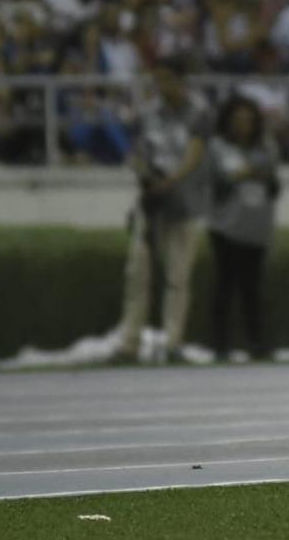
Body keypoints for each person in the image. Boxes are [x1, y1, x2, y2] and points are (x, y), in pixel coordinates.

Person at [111, 57, 212, 364]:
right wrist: (145, 175)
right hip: (151, 202)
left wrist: (171, 181)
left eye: (167, 79)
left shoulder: (198, 113)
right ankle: (130, 341)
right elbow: (139, 151)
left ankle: (172, 341)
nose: (161, 86)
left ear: (182, 80)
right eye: (158, 79)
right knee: (137, 272)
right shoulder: (150, 113)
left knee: (177, 276)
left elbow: (194, 154)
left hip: (184, 204)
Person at [208, 94, 280, 362]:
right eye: (238, 120)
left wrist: (264, 176)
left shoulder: (266, 148)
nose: (244, 125)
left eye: (249, 120)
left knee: (253, 290)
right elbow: (213, 186)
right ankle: (221, 345)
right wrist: (241, 174)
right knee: (225, 286)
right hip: (226, 225)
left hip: (256, 228)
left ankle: (258, 343)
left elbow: (274, 187)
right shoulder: (218, 148)